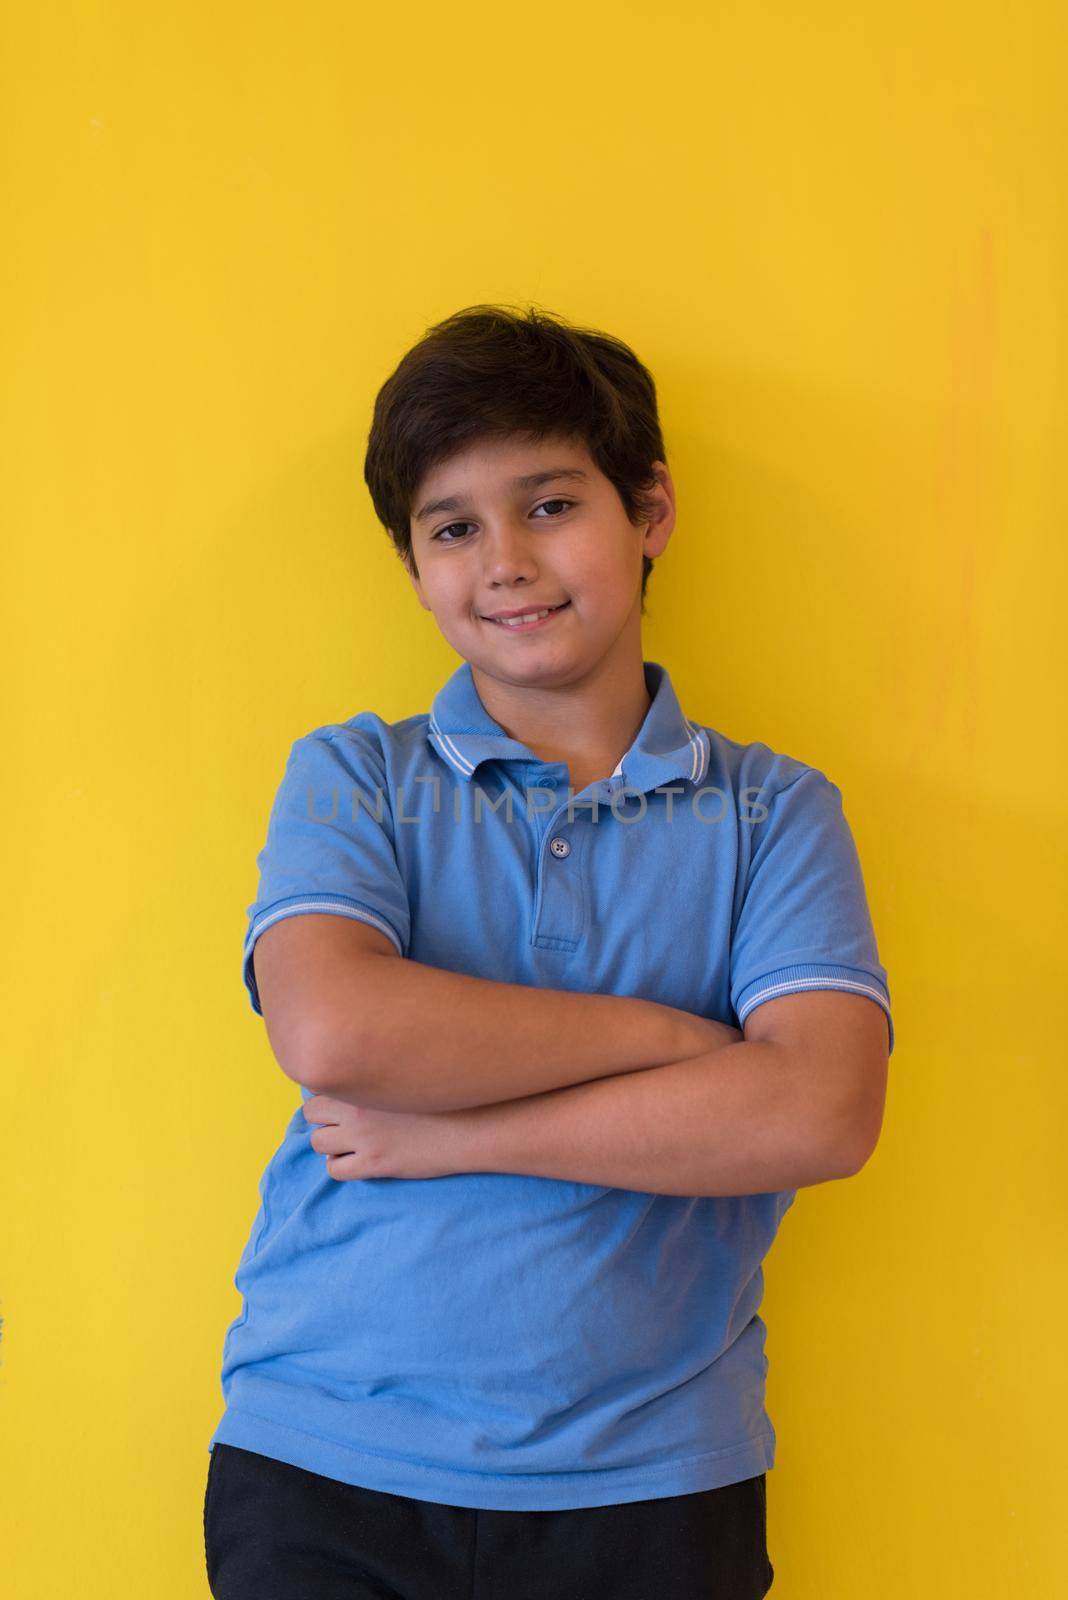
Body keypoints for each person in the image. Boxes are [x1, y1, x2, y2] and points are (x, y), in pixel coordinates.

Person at [204, 303, 893, 1598]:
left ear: (650, 513)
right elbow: (336, 1032)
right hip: (327, 1459)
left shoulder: (773, 812)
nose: (505, 560)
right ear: (415, 569)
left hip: (653, 1479)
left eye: (548, 503)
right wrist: (675, 1041)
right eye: (452, 527)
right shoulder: (356, 777)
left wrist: (451, 1134)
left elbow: (821, 1106)